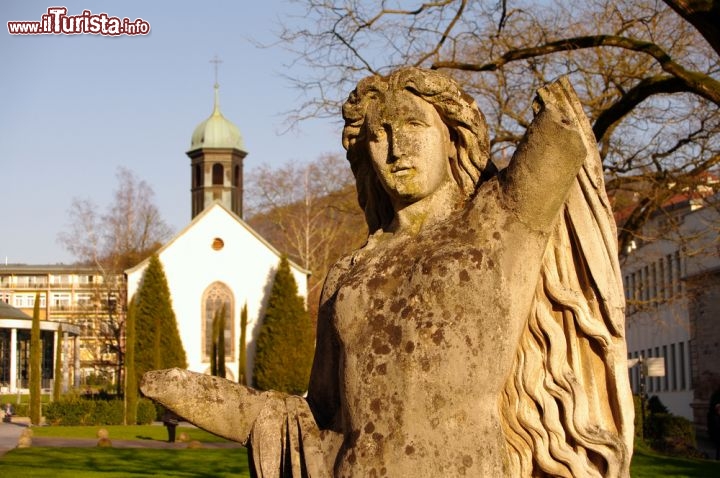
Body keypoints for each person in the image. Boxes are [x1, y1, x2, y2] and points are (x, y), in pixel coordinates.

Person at [142, 68, 633, 477]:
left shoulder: (498, 224)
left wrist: (558, 106)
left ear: (452, 136)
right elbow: (316, 417)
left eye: (413, 126)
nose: (396, 149)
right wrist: (212, 400)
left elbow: (561, 133)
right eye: (379, 135)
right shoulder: (348, 275)